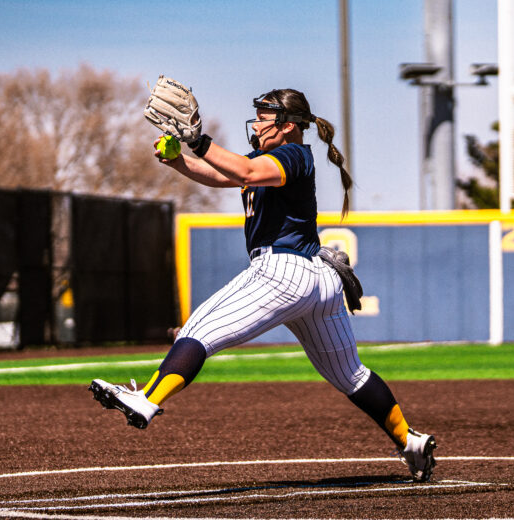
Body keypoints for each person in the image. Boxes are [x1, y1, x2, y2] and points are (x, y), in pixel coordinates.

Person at [89, 88, 437, 482]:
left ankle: (147, 400)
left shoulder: (291, 154)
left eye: (262, 118)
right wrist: (179, 161)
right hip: (317, 282)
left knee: (197, 331)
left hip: (283, 271)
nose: (255, 124)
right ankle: (409, 440)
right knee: (351, 376)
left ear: (288, 125)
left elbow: (246, 173)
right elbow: (226, 174)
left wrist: (199, 141)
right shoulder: (269, 158)